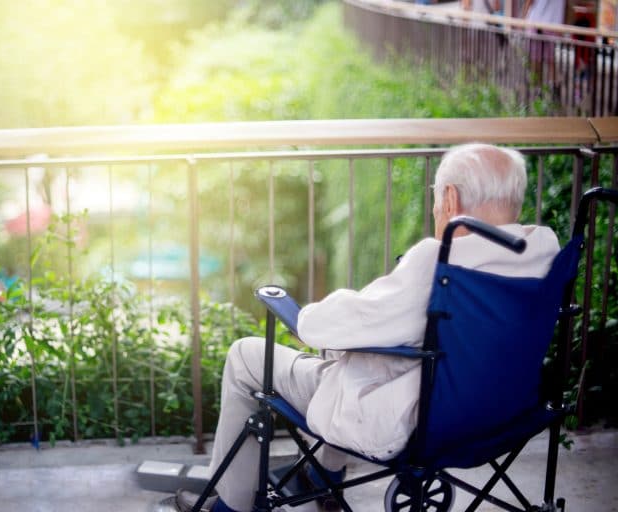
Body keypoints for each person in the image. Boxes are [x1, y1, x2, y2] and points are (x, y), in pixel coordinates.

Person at [173, 144, 561, 512]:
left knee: (247, 355)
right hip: (500, 415)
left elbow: (331, 327)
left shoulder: (440, 265)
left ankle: (230, 506)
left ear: (450, 200)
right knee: (359, 357)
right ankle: (321, 473)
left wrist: (302, 316)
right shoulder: (544, 254)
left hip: (420, 423)